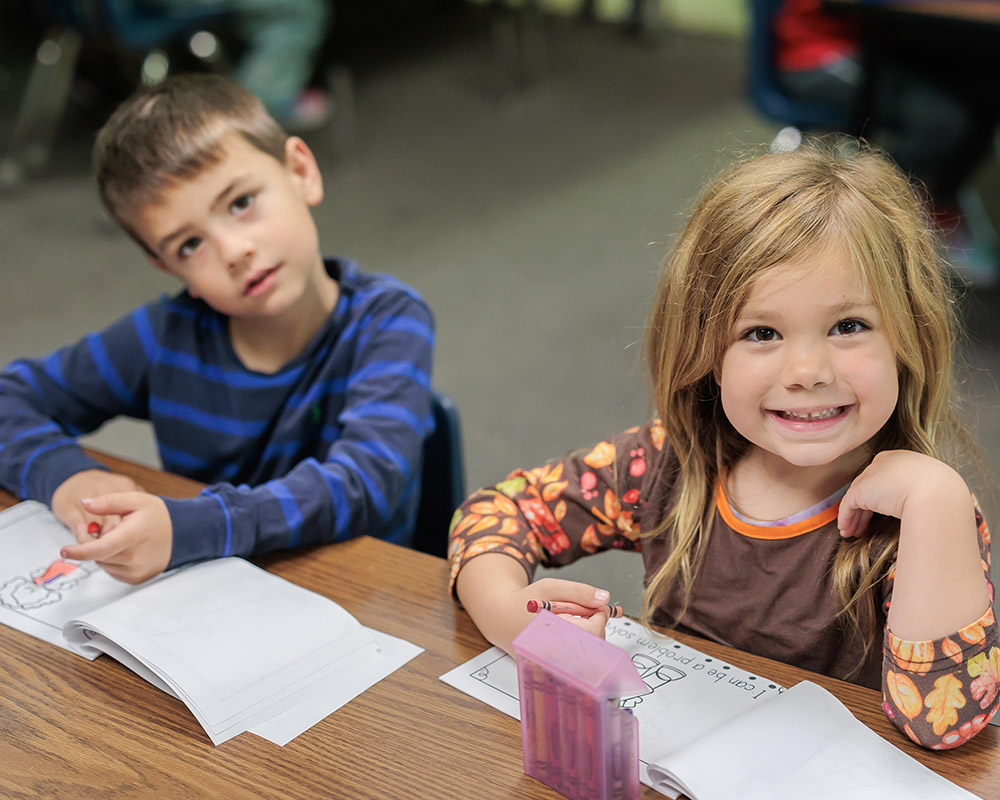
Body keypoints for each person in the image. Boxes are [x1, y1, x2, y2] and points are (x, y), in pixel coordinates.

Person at [448, 139, 997, 750]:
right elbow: (496, 512)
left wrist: (938, 497)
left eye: (849, 326)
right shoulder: (663, 466)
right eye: (762, 332)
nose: (808, 370)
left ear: (908, 337)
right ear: (708, 353)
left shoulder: (920, 522)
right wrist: (516, 622)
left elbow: (943, 723)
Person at [0, 73, 434, 585]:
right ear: (167, 267)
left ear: (300, 171)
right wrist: (70, 479)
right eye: (189, 245)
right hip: (213, 595)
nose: (233, 251)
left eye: (241, 202)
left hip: (366, 598)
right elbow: (10, 398)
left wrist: (194, 525)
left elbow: (364, 484)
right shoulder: (164, 336)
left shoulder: (388, 320)